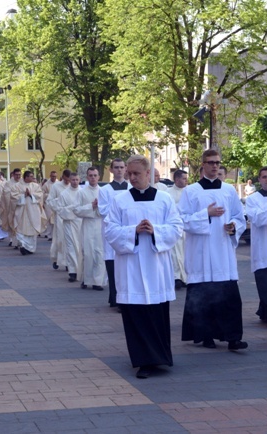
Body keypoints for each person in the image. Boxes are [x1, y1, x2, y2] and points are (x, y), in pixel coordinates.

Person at [104, 155, 183, 379]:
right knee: (136, 313)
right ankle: (143, 360)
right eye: (129, 173)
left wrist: (155, 230)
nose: (132, 177)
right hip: (131, 267)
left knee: (157, 311)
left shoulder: (164, 199)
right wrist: (133, 232)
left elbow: (176, 227)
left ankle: (161, 357)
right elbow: (110, 231)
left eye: (136, 173)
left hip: (156, 266)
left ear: (148, 173)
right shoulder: (120, 200)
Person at [179, 149, 248, 351]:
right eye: (210, 162)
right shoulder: (191, 191)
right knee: (203, 295)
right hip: (200, 251)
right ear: (203, 165)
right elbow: (182, 220)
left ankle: (233, 338)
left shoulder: (228, 190)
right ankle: (205, 335)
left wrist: (234, 226)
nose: (215, 166)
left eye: (217, 162)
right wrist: (206, 214)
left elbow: (239, 215)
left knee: (229, 297)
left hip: (223, 251)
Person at [245, 167, 267, 327]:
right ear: (259, 180)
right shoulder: (253, 199)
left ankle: (266, 312)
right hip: (264, 247)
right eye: (264, 177)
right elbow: (258, 219)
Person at [98, 159, 131, 308]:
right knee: (113, 267)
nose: (119, 170)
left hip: (129, 230)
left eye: (122, 167)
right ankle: (115, 298)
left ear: (126, 169)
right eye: (116, 167)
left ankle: (126, 298)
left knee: (127, 267)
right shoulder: (104, 190)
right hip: (112, 231)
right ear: (111, 170)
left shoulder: (131, 187)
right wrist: (120, 207)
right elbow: (103, 210)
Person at [73, 166, 107, 290]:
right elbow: (76, 210)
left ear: (98, 177)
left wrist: (100, 208)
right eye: (90, 175)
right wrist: (90, 206)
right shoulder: (81, 192)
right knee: (87, 253)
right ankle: (86, 279)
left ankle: (98, 281)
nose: (93, 178)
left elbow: (108, 209)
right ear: (87, 177)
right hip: (87, 224)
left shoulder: (103, 191)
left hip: (99, 224)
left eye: (95, 175)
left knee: (99, 253)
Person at [11, 170, 47, 254]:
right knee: (20, 227)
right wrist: (24, 195)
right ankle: (23, 245)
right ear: (26, 177)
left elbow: (40, 195)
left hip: (33, 211)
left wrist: (31, 194)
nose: (32, 178)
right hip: (22, 211)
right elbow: (13, 197)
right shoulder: (17, 186)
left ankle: (30, 248)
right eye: (31, 176)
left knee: (32, 229)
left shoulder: (36, 186)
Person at [57, 172, 83, 282]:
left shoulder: (83, 192)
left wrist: (75, 209)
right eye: (73, 180)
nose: (75, 182)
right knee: (71, 247)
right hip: (69, 223)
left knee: (81, 248)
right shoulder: (64, 194)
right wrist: (74, 208)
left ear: (79, 180)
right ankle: (72, 271)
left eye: (77, 180)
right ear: (69, 180)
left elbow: (87, 207)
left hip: (82, 223)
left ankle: (81, 270)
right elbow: (60, 210)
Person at [167, 169, 188, 289]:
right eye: (184, 178)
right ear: (176, 179)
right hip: (174, 227)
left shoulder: (189, 191)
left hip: (186, 227)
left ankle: (185, 277)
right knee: (175, 254)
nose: (186, 181)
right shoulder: (168, 192)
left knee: (185, 252)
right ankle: (176, 277)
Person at [46, 169, 71, 270]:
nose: (68, 181)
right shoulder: (56, 186)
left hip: (71, 217)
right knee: (60, 238)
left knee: (70, 240)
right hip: (60, 217)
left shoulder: (73, 186)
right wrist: (59, 205)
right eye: (67, 178)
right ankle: (57, 259)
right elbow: (50, 201)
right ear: (63, 176)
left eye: (70, 179)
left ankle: (68, 262)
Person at [41, 171, 57, 238]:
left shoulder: (58, 184)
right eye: (52, 176)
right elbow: (42, 193)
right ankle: (49, 234)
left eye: (55, 176)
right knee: (49, 218)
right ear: (50, 176)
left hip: (56, 203)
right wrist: (49, 195)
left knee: (55, 218)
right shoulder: (46, 184)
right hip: (48, 203)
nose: (54, 177)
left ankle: (54, 234)